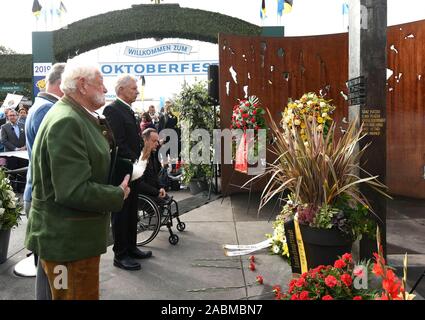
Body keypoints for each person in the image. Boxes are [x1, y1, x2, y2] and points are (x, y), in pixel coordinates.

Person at [25, 62, 130, 300]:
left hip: (71, 243)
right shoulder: (67, 121)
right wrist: (117, 194)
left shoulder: (74, 116)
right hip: (68, 246)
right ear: (82, 85)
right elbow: (73, 190)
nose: (105, 88)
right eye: (100, 82)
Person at [23, 62, 66, 300]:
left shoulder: (41, 106)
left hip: (40, 195)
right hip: (45, 198)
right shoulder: (46, 110)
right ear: (61, 84)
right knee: (52, 270)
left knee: (48, 267)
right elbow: (54, 160)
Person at [103, 74, 152, 272]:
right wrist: (135, 161)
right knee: (121, 214)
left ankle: (131, 247)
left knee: (132, 212)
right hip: (123, 171)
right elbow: (118, 143)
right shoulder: (112, 109)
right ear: (121, 89)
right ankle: (120, 254)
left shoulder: (126, 109)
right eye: (133, 88)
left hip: (133, 170)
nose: (137, 91)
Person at [138, 128, 167, 199]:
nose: (157, 144)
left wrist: (161, 188)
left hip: (153, 190)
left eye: (157, 141)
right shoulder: (140, 156)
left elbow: (155, 177)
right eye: (154, 141)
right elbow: (140, 183)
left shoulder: (152, 155)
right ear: (145, 140)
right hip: (145, 194)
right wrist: (156, 192)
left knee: (168, 200)